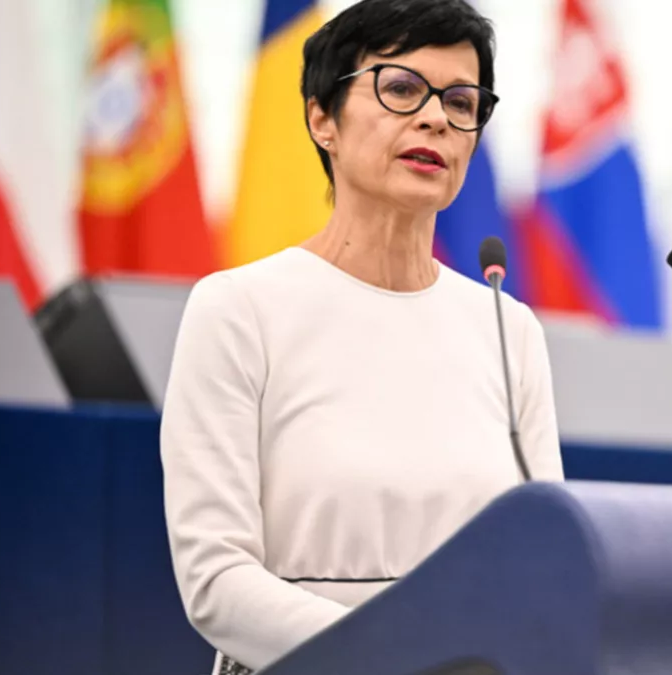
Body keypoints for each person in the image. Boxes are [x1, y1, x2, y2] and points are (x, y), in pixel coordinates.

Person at [159, 2, 564, 673]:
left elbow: (545, 557)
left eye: (461, 102)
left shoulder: (507, 327)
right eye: (402, 88)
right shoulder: (238, 310)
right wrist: (405, 653)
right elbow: (216, 579)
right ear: (323, 119)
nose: (436, 118)